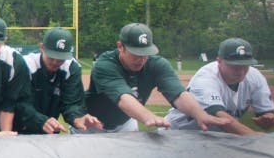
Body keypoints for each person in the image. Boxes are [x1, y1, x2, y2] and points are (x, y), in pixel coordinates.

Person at [84, 23, 228, 132]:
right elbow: (123, 97)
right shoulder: (105, 64)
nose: (141, 59)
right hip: (91, 126)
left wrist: (199, 114)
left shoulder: (157, 64)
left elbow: (178, 93)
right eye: (135, 54)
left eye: (145, 53)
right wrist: (147, 116)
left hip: (125, 124)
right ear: (121, 46)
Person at [165, 38, 274, 135]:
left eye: (245, 65)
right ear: (219, 61)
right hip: (179, 134)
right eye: (235, 66)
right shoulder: (206, 78)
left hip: (214, 138)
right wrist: (253, 136)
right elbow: (222, 120)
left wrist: (268, 117)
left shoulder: (255, 76)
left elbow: (266, 112)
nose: (241, 71)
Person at [15, 28, 102, 134]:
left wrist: (77, 117)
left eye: (61, 58)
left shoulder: (71, 67)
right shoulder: (26, 65)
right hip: (19, 131)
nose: (56, 62)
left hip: (50, 132)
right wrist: (41, 121)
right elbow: (19, 104)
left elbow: (72, 103)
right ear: (42, 47)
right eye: (52, 56)